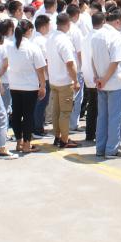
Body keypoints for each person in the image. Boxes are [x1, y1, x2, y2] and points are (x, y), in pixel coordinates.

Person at [4, 18, 45, 155]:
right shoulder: (32, 47)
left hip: (14, 85)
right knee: (28, 115)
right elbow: (40, 69)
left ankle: (19, 141)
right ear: (29, 31)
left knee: (16, 114)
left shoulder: (10, 46)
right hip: (29, 86)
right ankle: (27, 144)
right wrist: (43, 85)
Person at [91, 9, 121, 158]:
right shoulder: (115, 36)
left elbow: (93, 59)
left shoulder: (96, 35)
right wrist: (105, 79)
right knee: (116, 118)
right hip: (114, 83)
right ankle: (112, 149)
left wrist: (98, 77)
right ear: (118, 21)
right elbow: (115, 61)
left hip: (101, 82)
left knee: (102, 117)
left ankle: (100, 148)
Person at [45, 12, 79, 149]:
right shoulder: (64, 40)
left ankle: (57, 136)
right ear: (68, 24)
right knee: (65, 112)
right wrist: (76, 80)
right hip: (64, 81)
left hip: (54, 80)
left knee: (56, 111)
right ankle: (64, 140)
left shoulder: (50, 37)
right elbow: (70, 63)